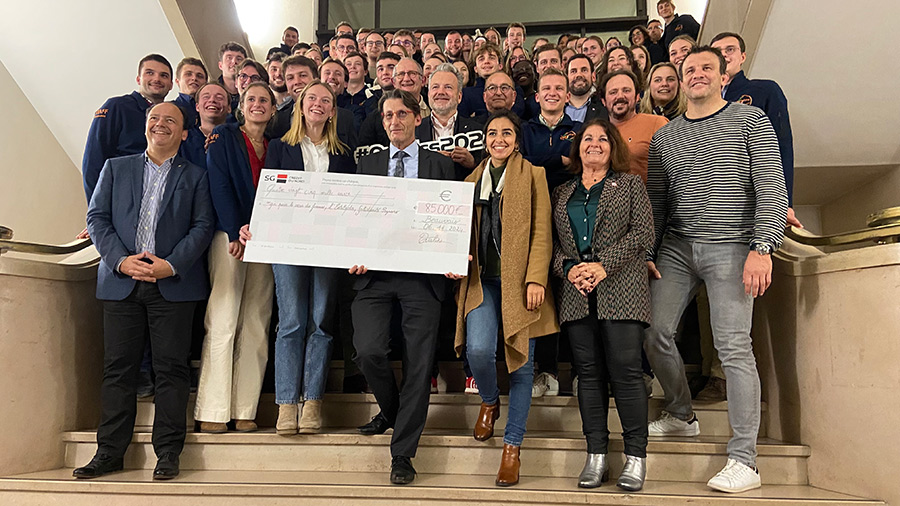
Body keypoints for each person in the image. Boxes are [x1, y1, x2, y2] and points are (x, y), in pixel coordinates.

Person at [644, 46, 788, 493]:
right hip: (677, 248)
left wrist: (763, 247)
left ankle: (746, 460)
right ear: (681, 81)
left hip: (733, 247)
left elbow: (772, 187)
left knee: (733, 347)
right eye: (690, 70)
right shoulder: (666, 136)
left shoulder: (750, 121)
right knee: (653, 332)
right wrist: (649, 250)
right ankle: (681, 414)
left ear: (724, 75)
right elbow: (658, 201)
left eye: (707, 67)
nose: (698, 74)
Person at [75, 102, 215, 481]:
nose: (160, 124)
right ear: (145, 127)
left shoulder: (197, 176)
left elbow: (202, 226)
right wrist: (120, 260)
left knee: (172, 370)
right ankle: (109, 453)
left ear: (184, 133)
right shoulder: (115, 168)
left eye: (171, 120)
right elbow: (97, 217)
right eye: (155, 119)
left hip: (173, 284)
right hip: (121, 283)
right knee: (118, 370)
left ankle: (168, 453)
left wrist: (171, 265)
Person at [447, 110, 557, 487]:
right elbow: (457, 232)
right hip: (482, 282)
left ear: (517, 138)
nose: (499, 139)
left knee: (522, 367)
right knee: (478, 351)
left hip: (520, 284)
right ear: (484, 139)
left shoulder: (534, 176)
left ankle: (512, 448)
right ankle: (490, 400)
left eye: (506, 133)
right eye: (492, 133)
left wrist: (535, 278)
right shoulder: (471, 180)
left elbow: (543, 232)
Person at [238, 80, 354, 436]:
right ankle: (287, 404)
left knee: (320, 322)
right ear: (300, 107)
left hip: (328, 246)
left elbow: (350, 203)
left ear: (332, 111)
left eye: (326, 100)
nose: (318, 105)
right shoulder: (280, 149)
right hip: (286, 244)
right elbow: (271, 194)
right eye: (311, 99)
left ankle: (313, 401)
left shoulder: (344, 154)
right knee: (290, 321)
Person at [351, 89, 455, 485]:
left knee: (418, 365)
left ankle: (403, 453)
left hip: (422, 278)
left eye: (401, 114)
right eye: (387, 115)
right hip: (373, 276)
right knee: (369, 351)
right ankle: (394, 413)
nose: (393, 121)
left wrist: (449, 256)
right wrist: (353, 252)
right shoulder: (369, 165)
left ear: (417, 117)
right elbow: (357, 220)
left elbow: (451, 219)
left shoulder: (440, 165)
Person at [551, 118, 653, 491]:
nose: (594, 144)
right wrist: (568, 269)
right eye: (587, 139)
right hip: (577, 296)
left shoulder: (629, 185)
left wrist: (602, 265)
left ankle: (636, 459)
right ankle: (596, 455)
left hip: (622, 290)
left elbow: (643, 233)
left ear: (613, 147)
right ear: (578, 149)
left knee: (626, 373)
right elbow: (554, 247)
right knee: (588, 376)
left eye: (602, 139)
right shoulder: (562, 193)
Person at [194, 83, 278, 434]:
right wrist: (233, 230)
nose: (257, 105)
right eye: (251, 100)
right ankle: (213, 410)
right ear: (240, 107)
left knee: (257, 322)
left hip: (267, 240)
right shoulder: (225, 137)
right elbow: (219, 183)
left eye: (264, 100)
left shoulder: (277, 146)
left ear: (274, 109)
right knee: (224, 319)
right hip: (230, 238)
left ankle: (245, 408)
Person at [711, 32, 799, 228]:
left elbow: (782, 146)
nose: (724, 55)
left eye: (730, 50)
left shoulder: (765, 90)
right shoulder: (703, 101)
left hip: (755, 194)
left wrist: (785, 202)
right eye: (718, 52)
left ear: (742, 56)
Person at [82, 54, 174, 203]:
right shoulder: (116, 107)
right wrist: (97, 212)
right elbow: (93, 162)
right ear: (138, 79)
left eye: (163, 75)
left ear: (171, 84)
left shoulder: (172, 116)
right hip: (121, 198)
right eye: (150, 73)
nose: (157, 79)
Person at [600, 70, 668, 182]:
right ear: (604, 101)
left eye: (626, 90)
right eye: (613, 92)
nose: (620, 96)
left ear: (637, 97)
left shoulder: (656, 124)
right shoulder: (597, 133)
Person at [416, 63, 481, 180]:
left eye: (448, 87)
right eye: (435, 87)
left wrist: (473, 163)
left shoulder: (478, 131)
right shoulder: (413, 131)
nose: (441, 92)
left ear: (459, 97)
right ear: (429, 94)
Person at [179, 83, 231, 169]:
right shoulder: (184, 140)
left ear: (229, 108)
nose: (212, 100)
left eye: (219, 98)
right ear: (197, 107)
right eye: (206, 97)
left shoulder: (236, 139)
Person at [565, 54, 608, 124]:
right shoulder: (556, 106)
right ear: (566, 78)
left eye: (584, 70)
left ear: (593, 76)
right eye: (573, 71)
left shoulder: (604, 107)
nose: (579, 75)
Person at [173, 57, 208, 127]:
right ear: (177, 81)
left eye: (199, 76)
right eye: (188, 74)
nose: (194, 78)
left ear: (206, 83)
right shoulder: (171, 109)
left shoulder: (214, 107)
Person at [217, 42, 248, 112]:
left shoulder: (252, 91)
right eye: (229, 58)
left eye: (239, 59)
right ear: (220, 65)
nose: (234, 62)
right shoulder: (213, 92)